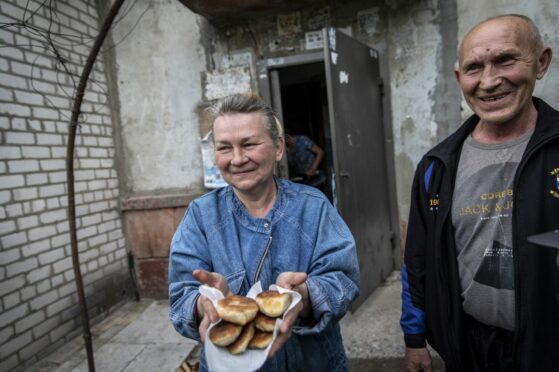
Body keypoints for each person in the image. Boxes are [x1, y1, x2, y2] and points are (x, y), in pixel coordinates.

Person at [400, 14, 559, 372]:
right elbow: (417, 260)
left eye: (505, 60)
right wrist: (414, 339)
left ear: (541, 62)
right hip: (471, 347)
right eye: (474, 67)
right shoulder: (436, 166)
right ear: (460, 78)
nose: (489, 81)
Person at [168, 93, 360, 371]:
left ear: (278, 148)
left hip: (313, 363)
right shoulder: (201, 216)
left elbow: (344, 278)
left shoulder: (313, 207)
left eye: (249, 144)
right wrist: (207, 303)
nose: (237, 159)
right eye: (224, 148)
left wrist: (302, 296)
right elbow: (180, 296)